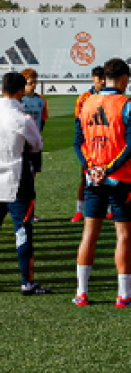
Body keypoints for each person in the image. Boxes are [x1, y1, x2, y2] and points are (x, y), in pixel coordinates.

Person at [73, 58, 131, 308]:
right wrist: (107, 169)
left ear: (104, 78)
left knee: (89, 234)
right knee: (124, 236)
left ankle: (81, 293)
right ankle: (123, 294)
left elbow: (78, 143)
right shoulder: (127, 105)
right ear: (125, 78)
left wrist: (92, 169)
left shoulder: (86, 103)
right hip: (120, 179)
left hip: (92, 178)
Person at [0, 72, 52, 296]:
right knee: (22, 231)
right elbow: (37, 144)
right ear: (20, 91)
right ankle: (26, 282)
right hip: (17, 180)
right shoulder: (22, 119)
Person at [71, 66, 106, 223]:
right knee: (85, 177)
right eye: (100, 78)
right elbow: (79, 122)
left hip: (106, 142)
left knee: (109, 174)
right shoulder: (84, 98)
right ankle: (79, 211)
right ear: (94, 79)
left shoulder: (109, 96)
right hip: (89, 144)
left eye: (105, 78)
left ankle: (110, 209)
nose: (103, 81)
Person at [20, 68, 47, 222]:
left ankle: (30, 213)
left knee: (31, 180)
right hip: (20, 146)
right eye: (30, 83)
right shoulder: (18, 100)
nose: (34, 85)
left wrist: (36, 138)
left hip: (34, 147)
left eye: (35, 82)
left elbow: (42, 121)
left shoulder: (41, 100)